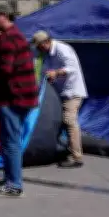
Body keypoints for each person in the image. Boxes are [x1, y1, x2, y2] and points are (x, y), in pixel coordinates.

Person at [0, 4, 38, 198]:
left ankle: (14, 185)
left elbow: (5, 70)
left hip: (13, 97)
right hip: (22, 96)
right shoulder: (17, 35)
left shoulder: (8, 38)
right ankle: (10, 178)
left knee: (10, 142)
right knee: (8, 140)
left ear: (2, 16)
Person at [32, 30, 87, 169]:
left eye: (39, 46)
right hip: (60, 92)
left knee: (69, 121)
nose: (38, 49)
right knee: (60, 121)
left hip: (72, 92)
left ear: (46, 42)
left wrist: (56, 73)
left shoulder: (62, 49)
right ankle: (65, 151)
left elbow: (71, 68)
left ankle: (77, 157)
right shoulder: (46, 54)